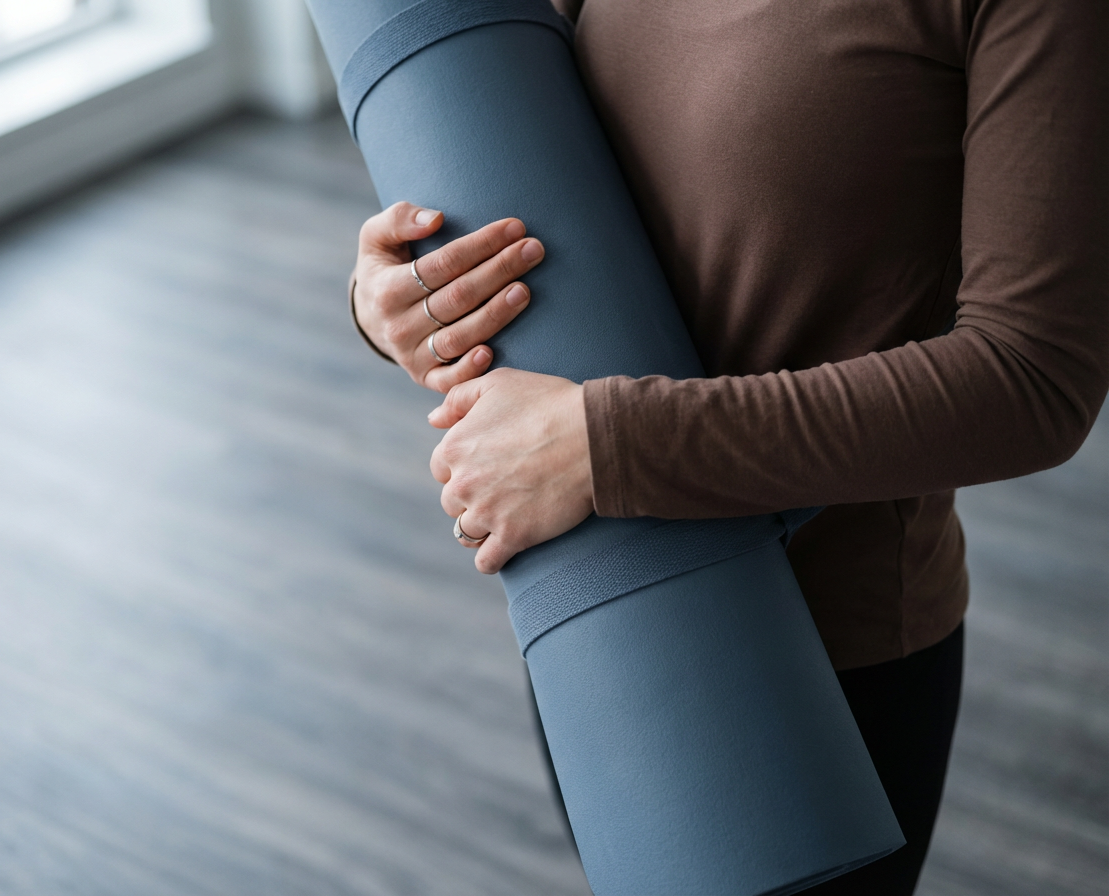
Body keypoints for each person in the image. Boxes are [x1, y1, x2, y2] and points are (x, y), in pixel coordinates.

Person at [345, 0, 1107, 891]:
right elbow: (515, 132)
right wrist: (396, 297)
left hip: (816, 658)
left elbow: (1032, 380)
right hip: (596, 601)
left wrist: (607, 444)